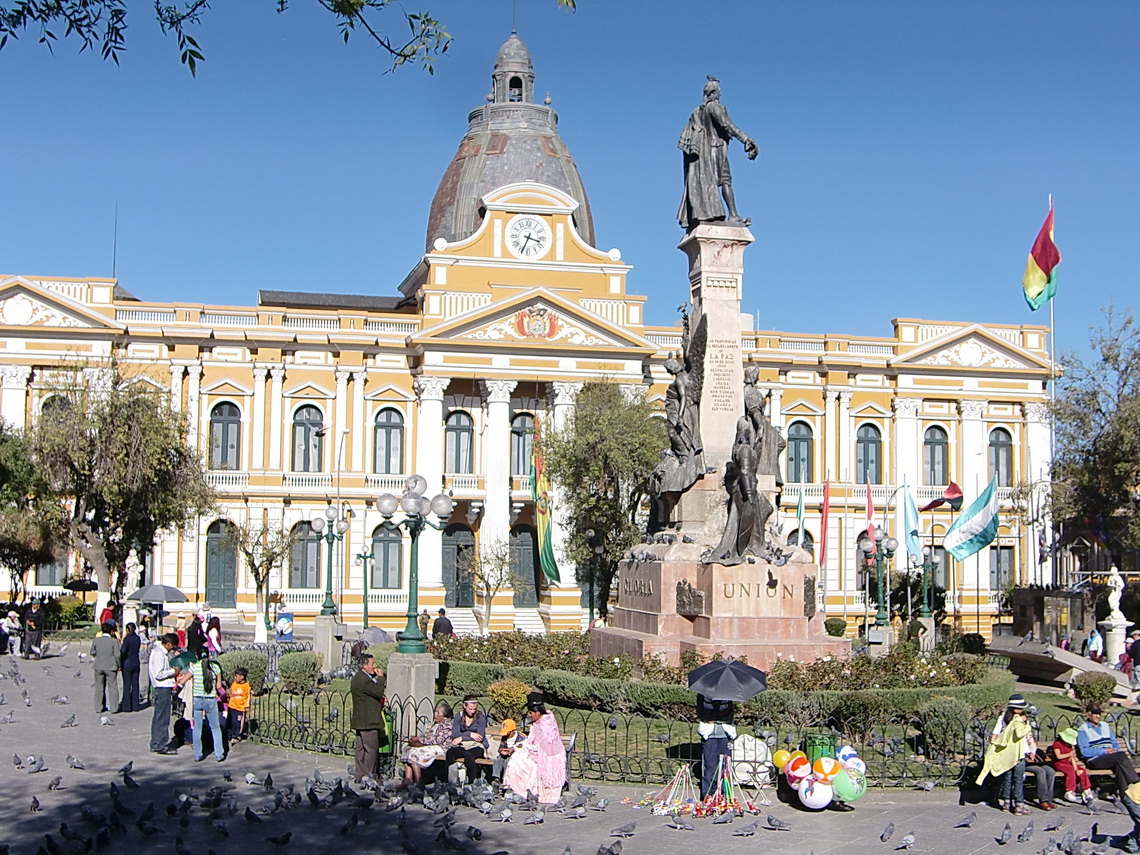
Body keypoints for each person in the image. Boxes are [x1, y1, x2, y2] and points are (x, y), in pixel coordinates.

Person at [676, 75, 758, 231]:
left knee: (717, 182)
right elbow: (726, 125)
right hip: (714, 150)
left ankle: (726, 214)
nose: (720, 95)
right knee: (724, 181)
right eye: (718, 92)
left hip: (706, 153)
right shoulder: (713, 107)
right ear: (713, 93)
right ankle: (732, 214)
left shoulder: (698, 112)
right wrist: (745, 139)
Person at [503, 692, 567, 805]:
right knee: (516, 759)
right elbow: (531, 741)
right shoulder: (538, 722)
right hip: (537, 753)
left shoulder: (546, 725)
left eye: (531, 713)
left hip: (550, 757)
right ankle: (518, 791)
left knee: (521, 761)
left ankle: (530, 792)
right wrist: (516, 748)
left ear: (538, 712)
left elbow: (546, 746)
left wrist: (523, 749)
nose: (530, 715)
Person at [977, 694, 1032, 815]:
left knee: (1007, 778)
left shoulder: (1003, 718)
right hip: (1019, 752)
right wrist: (1027, 726)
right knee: (1018, 779)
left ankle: (1006, 803)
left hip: (1006, 752)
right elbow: (1021, 735)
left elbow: (995, 734)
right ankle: (1019, 805)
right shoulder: (1019, 719)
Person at [1077, 702, 1140, 798]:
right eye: (1095, 714)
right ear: (1088, 714)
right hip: (1095, 759)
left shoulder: (1105, 725)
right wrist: (1104, 751)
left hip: (1112, 757)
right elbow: (1085, 751)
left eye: (1099, 714)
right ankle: (1136, 782)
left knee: (1120, 764)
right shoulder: (1083, 730)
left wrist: (1116, 750)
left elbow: (1114, 742)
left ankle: (1125, 795)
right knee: (1121, 757)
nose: (1098, 716)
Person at [349, 653, 387, 785]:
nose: (374, 666)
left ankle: (360, 774)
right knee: (371, 748)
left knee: (360, 749)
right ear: (364, 666)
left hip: (361, 720)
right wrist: (381, 678)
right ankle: (370, 775)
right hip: (368, 721)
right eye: (372, 664)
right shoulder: (364, 680)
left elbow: (370, 695)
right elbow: (377, 691)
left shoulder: (359, 678)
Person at [398, 702, 454, 788]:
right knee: (407, 749)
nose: (435, 714)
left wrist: (419, 739)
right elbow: (428, 737)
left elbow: (437, 740)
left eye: (438, 713)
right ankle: (408, 779)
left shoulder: (447, 724)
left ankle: (418, 780)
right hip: (431, 745)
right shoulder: (435, 724)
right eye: (435, 712)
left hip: (441, 747)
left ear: (445, 716)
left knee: (415, 754)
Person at [184, 651, 225, 762]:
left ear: (197, 656)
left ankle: (198, 754)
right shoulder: (215, 667)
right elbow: (219, 685)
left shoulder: (195, 667)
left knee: (197, 728)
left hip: (197, 699)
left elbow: (183, 680)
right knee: (215, 727)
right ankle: (219, 753)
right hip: (211, 699)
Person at [696, 693, 736, 800]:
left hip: (724, 734)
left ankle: (725, 794)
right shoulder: (703, 693)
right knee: (710, 765)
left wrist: (715, 715)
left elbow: (729, 713)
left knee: (725, 765)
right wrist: (716, 715)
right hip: (709, 735)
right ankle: (708, 795)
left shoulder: (728, 693)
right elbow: (701, 712)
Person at [148, 633, 179, 754]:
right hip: (162, 688)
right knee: (162, 718)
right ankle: (160, 744)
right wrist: (172, 672)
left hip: (161, 688)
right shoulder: (159, 654)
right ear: (168, 644)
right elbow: (158, 674)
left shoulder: (159, 653)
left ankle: (156, 742)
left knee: (159, 717)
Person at [446, 695, 488, 784]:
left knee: (469, 755)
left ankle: (471, 781)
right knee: (450, 752)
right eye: (470, 709)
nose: (472, 711)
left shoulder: (480, 717)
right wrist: (470, 734)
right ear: (464, 706)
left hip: (476, 745)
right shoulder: (459, 716)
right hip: (463, 744)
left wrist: (461, 737)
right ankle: (449, 778)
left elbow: (479, 737)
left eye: (474, 709)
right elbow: (455, 734)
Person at [1052, 727, 1094, 803]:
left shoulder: (1070, 746)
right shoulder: (1057, 744)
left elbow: (1072, 759)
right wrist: (1069, 754)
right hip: (1060, 764)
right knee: (1070, 771)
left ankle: (1086, 789)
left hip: (1069, 764)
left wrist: (1076, 770)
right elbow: (1058, 756)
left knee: (1082, 770)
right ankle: (1070, 790)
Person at [91, 621, 121, 714]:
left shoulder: (96, 640)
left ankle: (98, 707)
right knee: (112, 687)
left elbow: (92, 652)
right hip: (111, 666)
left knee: (99, 687)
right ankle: (114, 708)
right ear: (111, 631)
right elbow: (117, 654)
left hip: (98, 666)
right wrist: (119, 665)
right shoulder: (113, 641)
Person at [1024, 729, 1057, 809]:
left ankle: (1049, 799)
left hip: (1038, 762)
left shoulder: (1031, 739)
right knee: (1040, 771)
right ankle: (1043, 800)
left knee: (1050, 771)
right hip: (1027, 763)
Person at [119, 622, 142, 713]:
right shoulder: (138, 638)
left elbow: (123, 651)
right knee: (135, 684)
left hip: (127, 662)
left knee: (127, 684)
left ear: (127, 630)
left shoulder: (127, 639)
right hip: (136, 662)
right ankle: (135, 705)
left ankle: (126, 706)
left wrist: (121, 662)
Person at [492, 718, 522, 782]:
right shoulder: (504, 738)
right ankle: (496, 778)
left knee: (507, 762)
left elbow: (522, 748)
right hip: (505, 755)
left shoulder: (520, 737)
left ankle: (505, 779)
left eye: (508, 733)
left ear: (513, 731)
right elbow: (500, 747)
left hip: (516, 756)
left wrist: (512, 750)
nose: (506, 735)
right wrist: (502, 750)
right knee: (498, 760)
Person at [226, 667, 250, 741]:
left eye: (236, 676)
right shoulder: (234, 684)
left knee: (237, 723)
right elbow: (231, 691)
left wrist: (246, 707)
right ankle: (229, 735)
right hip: (232, 706)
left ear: (242, 677)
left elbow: (247, 697)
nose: (235, 678)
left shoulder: (246, 686)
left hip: (240, 707)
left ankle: (236, 735)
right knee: (230, 721)